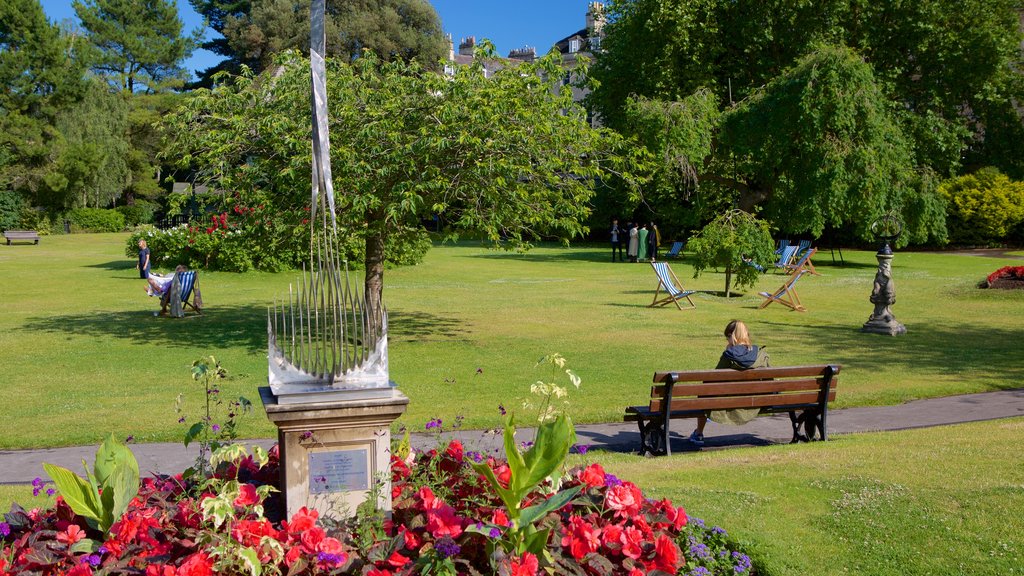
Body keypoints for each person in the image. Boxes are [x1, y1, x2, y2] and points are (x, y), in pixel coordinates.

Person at [689, 320, 769, 446]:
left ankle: (699, 433)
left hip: (728, 401)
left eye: (727, 338)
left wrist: (728, 351)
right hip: (754, 401)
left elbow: (714, 377)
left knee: (703, 392)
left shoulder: (729, 355)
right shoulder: (760, 353)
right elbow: (769, 379)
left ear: (732, 336)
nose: (727, 341)